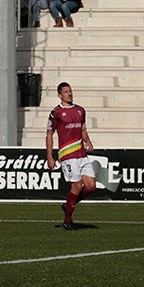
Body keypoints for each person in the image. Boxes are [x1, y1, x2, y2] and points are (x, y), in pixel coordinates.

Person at [46, 82, 95, 229]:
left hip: (81, 154)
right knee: (77, 186)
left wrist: (88, 141)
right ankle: (68, 220)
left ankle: (68, 205)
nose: (69, 94)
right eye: (66, 92)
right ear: (60, 95)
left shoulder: (80, 110)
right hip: (67, 155)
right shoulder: (56, 113)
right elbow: (49, 134)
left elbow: (82, 130)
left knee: (91, 186)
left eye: (70, 91)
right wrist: (50, 157)